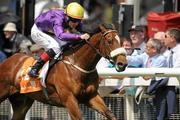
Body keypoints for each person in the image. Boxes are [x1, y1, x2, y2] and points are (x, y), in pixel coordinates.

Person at [28, 2, 90, 77]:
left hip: (50, 32)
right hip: (38, 31)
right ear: (67, 17)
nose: (76, 23)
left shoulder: (71, 19)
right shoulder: (58, 19)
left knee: (66, 45)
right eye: (74, 20)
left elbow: (84, 29)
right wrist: (79, 37)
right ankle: (35, 68)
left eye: (79, 20)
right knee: (55, 47)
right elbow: (60, 35)